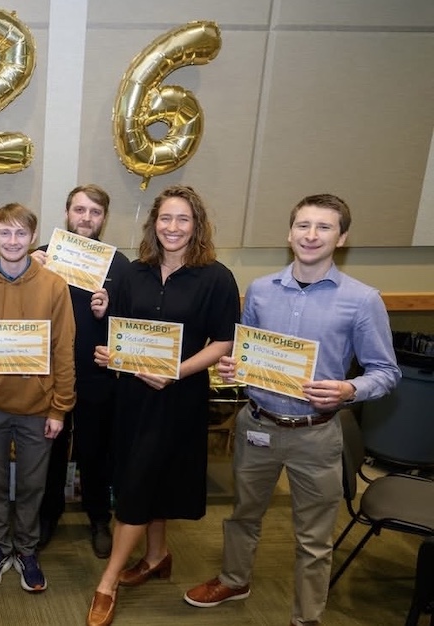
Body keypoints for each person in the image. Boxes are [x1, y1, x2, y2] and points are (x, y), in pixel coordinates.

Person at [183, 194, 401, 626]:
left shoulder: (362, 300)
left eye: (324, 227)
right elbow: (249, 354)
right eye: (303, 225)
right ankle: (234, 579)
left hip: (315, 433)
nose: (312, 235)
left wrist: (348, 389)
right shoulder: (262, 290)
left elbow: (387, 372)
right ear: (289, 233)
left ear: (342, 238)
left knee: (314, 539)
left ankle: (306, 617)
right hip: (258, 424)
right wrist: (234, 365)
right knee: (243, 515)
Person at [86, 185, 240, 626]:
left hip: (179, 396)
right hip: (132, 396)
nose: (173, 228)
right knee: (147, 476)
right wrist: (112, 355)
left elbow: (224, 342)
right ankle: (157, 556)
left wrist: (176, 371)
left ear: (197, 226)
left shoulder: (216, 277)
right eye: (166, 219)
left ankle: (108, 581)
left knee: (135, 487)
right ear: (154, 223)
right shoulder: (134, 273)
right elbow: (123, 333)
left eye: (183, 219)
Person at [0, 202, 75, 593]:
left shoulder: (54, 286)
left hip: (38, 409)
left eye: (20, 233)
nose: (12, 240)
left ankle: (26, 549)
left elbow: (64, 351)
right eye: (4, 233)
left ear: (33, 237)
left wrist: (60, 408)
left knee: (31, 485)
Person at [30, 184, 130, 557]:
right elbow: (18, 314)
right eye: (79, 210)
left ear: (104, 218)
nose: (86, 218)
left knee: (95, 450)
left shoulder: (118, 265)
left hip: (96, 373)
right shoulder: (42, 257)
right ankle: (47, 514)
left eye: (95, 212)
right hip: (49, 374)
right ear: (67, 213)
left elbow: (128, 329)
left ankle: (98, 517)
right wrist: (29, 276)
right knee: (50, 449)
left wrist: (108, 313)